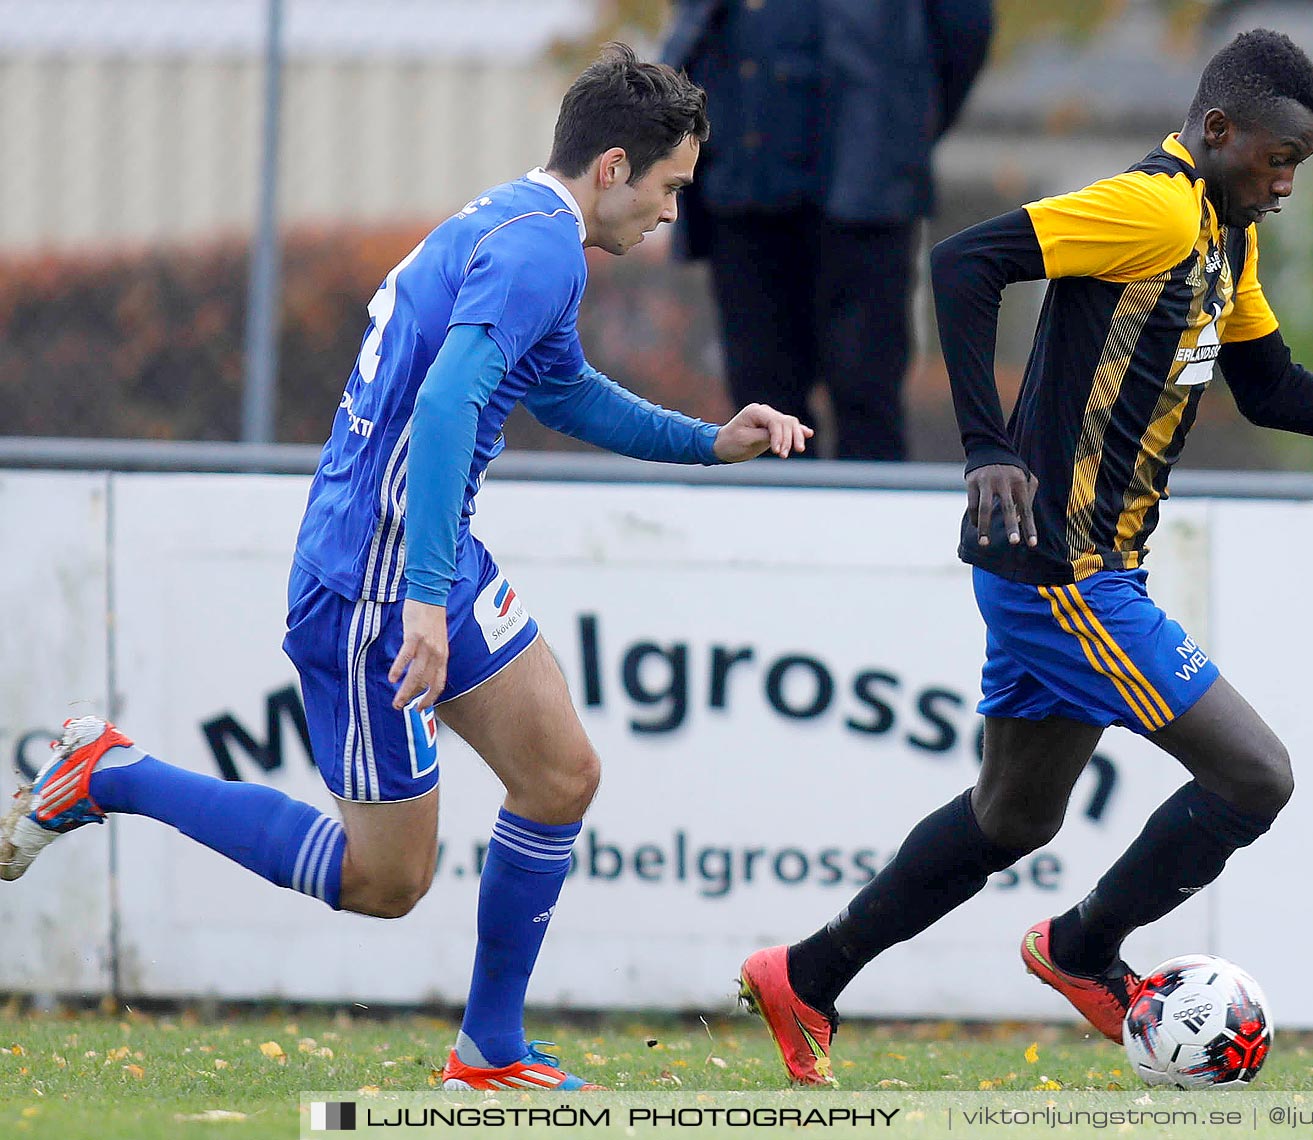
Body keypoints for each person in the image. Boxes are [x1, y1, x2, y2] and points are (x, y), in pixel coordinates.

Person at [737, 28, 1313, 1084]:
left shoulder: (1224, 235)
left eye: (1299, 165)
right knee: (1256, 776)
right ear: (1217, 131)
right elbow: (962, 263)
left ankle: (806, 975)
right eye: (1278, 159)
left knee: (1013, 815)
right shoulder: (1154, 208)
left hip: (1082, 567)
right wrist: (985, 445)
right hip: (1061, 571)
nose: (1288, 184)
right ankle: (1080, 952)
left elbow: (1273, 389)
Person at [1, 43, 809, 1092]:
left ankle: (489, 1051)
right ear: (614, 167)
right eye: (668, 188)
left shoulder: (517, 224)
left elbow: (557, 391)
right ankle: (110, 773)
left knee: (561, 776)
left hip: (427, 557)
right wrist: (425, 603)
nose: (670, 213)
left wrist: (709, 441)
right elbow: (444, 407)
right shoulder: (541, 252)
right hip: (375, 585)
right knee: (385, 881)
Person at [662, 0, 993, 460]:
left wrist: (903, 126)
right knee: (760, 400)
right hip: (741, 186)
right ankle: (775, 529)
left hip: (866, 195)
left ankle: (869, 527)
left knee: (867, 396)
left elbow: (964, 31)